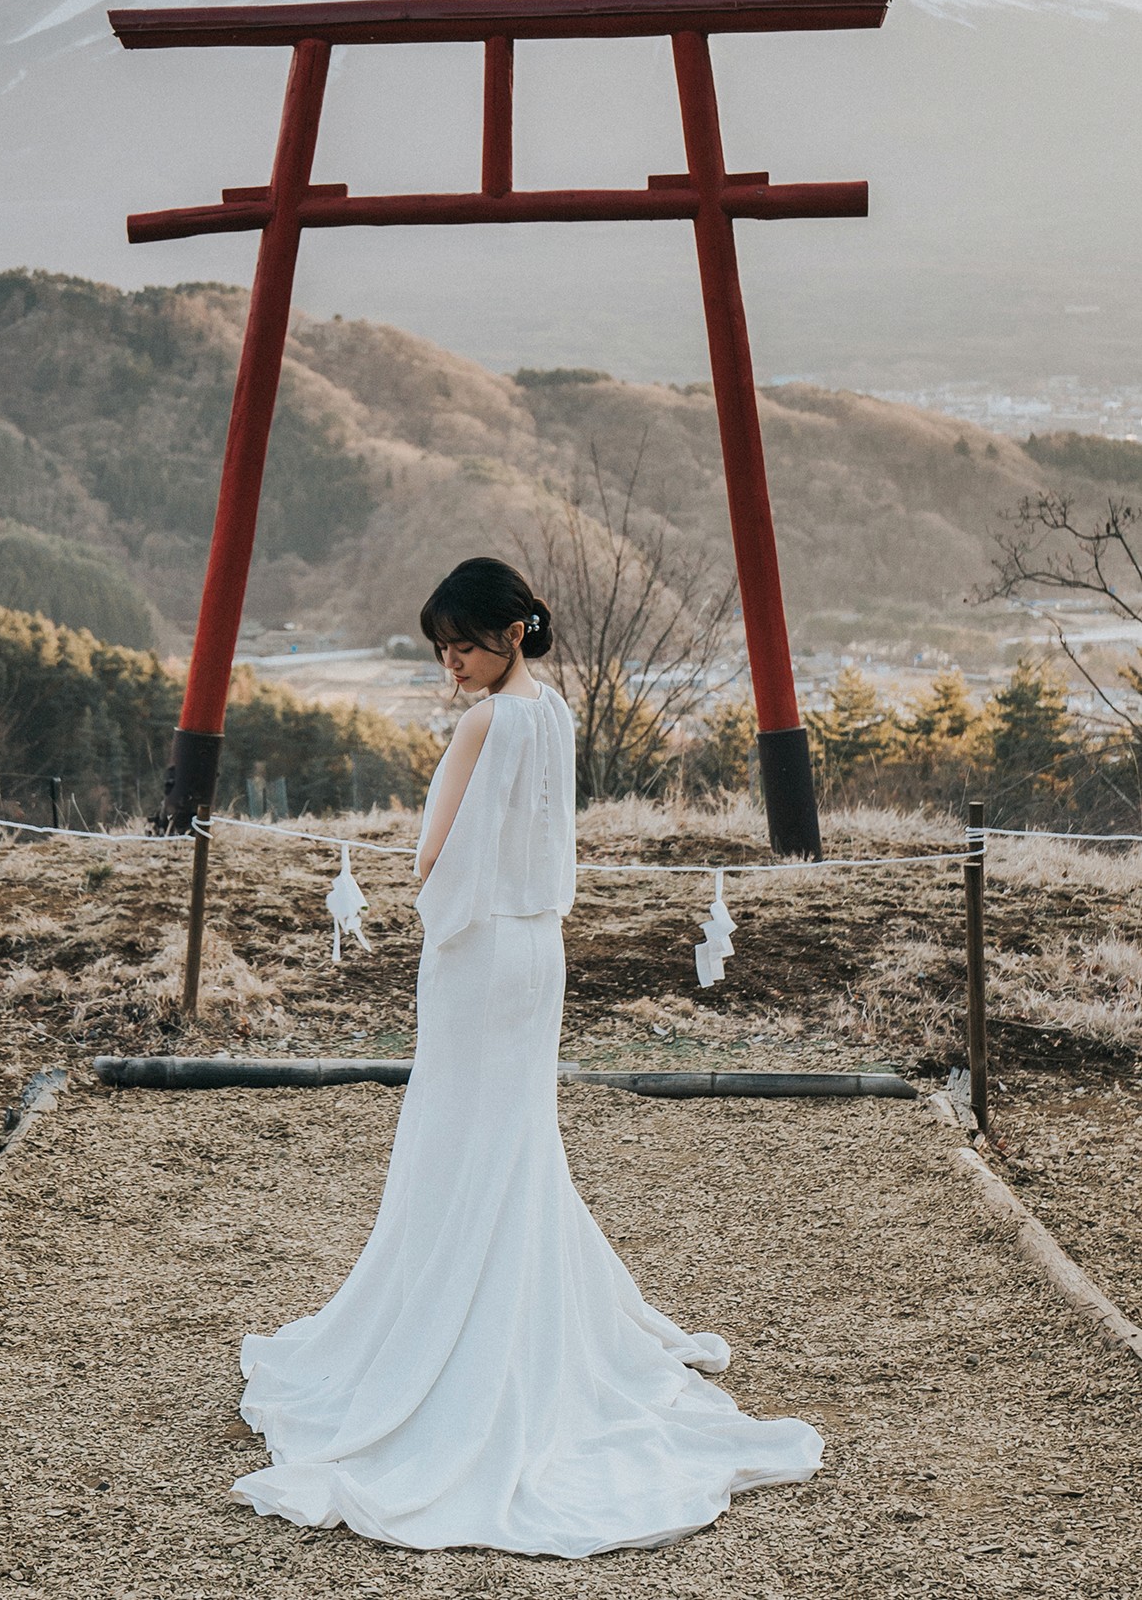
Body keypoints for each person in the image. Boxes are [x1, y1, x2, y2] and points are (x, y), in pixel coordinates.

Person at [232, 556, 822, 1555]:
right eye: (440, 647)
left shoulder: (484, 722)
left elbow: (430, 854)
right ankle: (520, 1325)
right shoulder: (554, 713)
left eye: (460, 642)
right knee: (512, 1134)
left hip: (475, 953)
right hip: (537, 947)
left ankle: (451, 1338)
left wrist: (440, 876)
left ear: (509, 633)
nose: (449, 662)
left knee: (459, 1134)